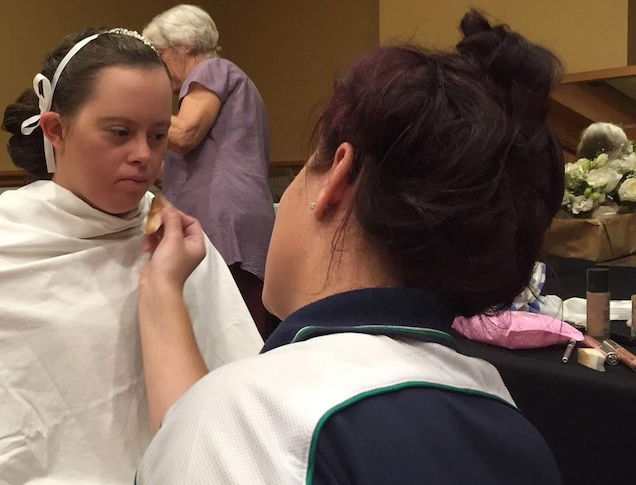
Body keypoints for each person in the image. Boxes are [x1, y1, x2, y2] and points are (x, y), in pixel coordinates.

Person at [135, 10, 564, 484]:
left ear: (336, 178)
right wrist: (163, 289)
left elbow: (220, 435)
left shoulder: (243, 420)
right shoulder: (504, 415)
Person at [0, 28, 262, 485]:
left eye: (157, 135)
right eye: (119, 133)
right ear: (57, 130)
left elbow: (225, 392)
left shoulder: (179, 241)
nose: (143, 156)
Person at [143, 4, 277, 338]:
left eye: (159, 53)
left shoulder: (212, 70)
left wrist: (131, 115)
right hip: (237, 217)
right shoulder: (231, 84)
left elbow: (186, 133)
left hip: (224, 220)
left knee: (233, 333)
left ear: (186, 44)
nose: (156, 65)